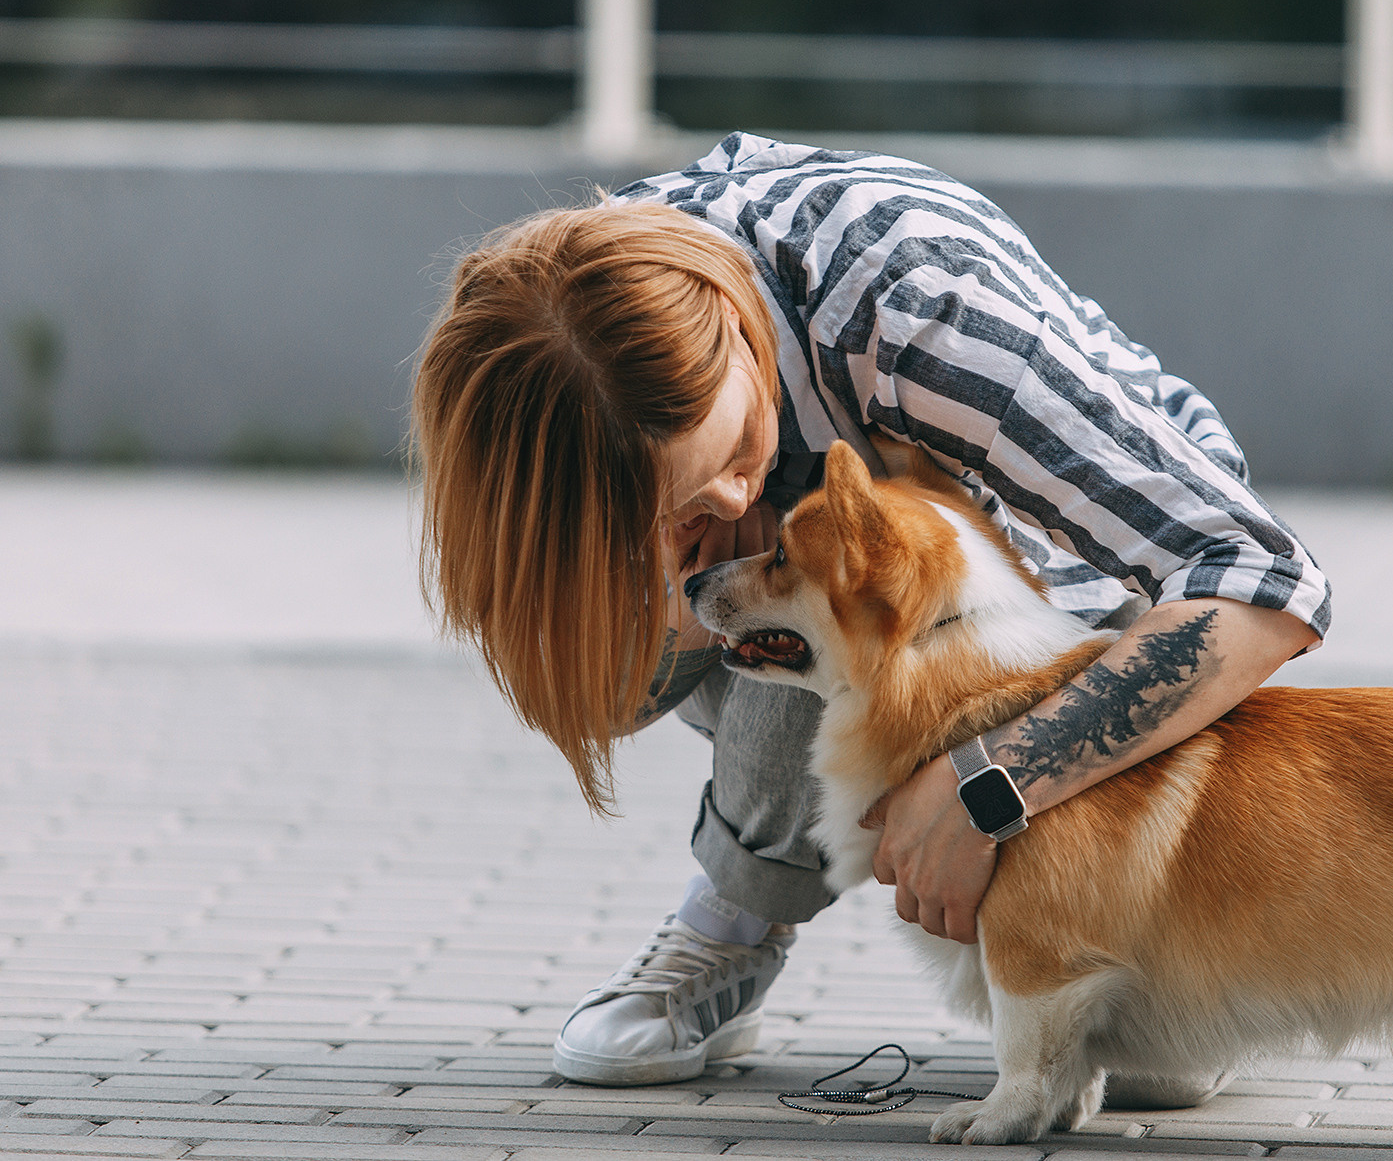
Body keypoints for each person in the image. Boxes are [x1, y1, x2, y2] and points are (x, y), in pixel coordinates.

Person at [410, 132, 1331, 1093]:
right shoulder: (559, 331)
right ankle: (741, 911)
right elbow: (577, 638)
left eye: (734, 455)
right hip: (855, 560)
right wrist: (671, 567)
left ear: (731, 319)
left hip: (1075, 574)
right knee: (698, 631)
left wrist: (991, 786)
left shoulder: (921, 300)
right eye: (676, 510)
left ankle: (1130, 951)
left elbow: (1262, 579)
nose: (728, 504)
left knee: (838, 629)